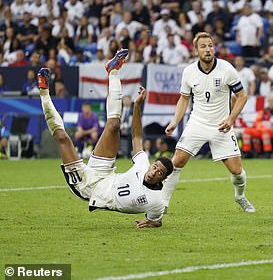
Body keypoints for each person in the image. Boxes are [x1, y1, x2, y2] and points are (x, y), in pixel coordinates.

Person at [37, 49, 174, 228]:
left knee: (63, 137)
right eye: (155, 166)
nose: (154, 171)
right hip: (105, 173)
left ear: (162, 179)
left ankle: (43, 92)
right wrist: (137, 105)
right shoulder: (143, 166)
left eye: (159, 173)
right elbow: (137, 136)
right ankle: (113, 70)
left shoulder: (156, 201)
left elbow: (156, 221)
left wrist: (150, 223)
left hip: (88, 188)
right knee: (113, 126)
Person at [162, 32, 255, 213]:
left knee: (236, 171)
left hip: (221, 126)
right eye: (203, 46)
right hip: (197, 123)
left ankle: (240, 196)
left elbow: (242, 96)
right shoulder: (189, 72)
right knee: (177, 161)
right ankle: (163, 203)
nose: (208, 49)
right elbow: (183, 99)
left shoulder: (226, 69)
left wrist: (230, 119)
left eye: (211, 45)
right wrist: (175, 121)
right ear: (196, 50)